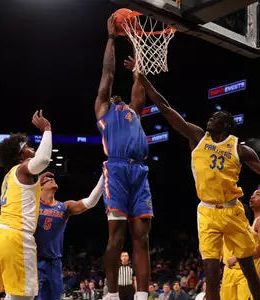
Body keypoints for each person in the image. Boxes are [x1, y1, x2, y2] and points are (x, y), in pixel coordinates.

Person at [123, 57, 260, 300]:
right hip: (207, 212)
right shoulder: (198, 137)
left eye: (216, 117)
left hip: (232, 212)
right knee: (211, 271)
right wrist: (143, 79)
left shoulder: (239, 149)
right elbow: (167, 109)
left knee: (247, 266)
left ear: (226, 126)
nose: (210, 118)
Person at [95, 15, 152, 300]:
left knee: (142, 236)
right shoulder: (104, 108)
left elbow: (139, 83)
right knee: (116, 236)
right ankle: (112, 294)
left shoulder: (134, 110)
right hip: (116, 170)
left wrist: (136, 41)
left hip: (139, 172)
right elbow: (107, 75)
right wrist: (111, 39)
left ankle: (142, 296)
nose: (116, 94)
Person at [0, 110, 53, 300]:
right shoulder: (24, 168)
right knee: (22, 296)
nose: (31, 148)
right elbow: (43, 160)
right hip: (15, 237)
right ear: (19, 155)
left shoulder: (10, 176)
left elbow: (22, 197)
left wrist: (37, 184)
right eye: (27, 146)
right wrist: (47, 130)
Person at [34, 173, 103, 300]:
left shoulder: (65, 206)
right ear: (40, 187)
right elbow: (24, 193)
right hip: (35, 261)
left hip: (55, 263)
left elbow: (91, 202)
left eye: (52, 178)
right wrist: (37, 181)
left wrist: (104, 176)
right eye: (47, 180)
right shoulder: (33, 204)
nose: (51, 179)